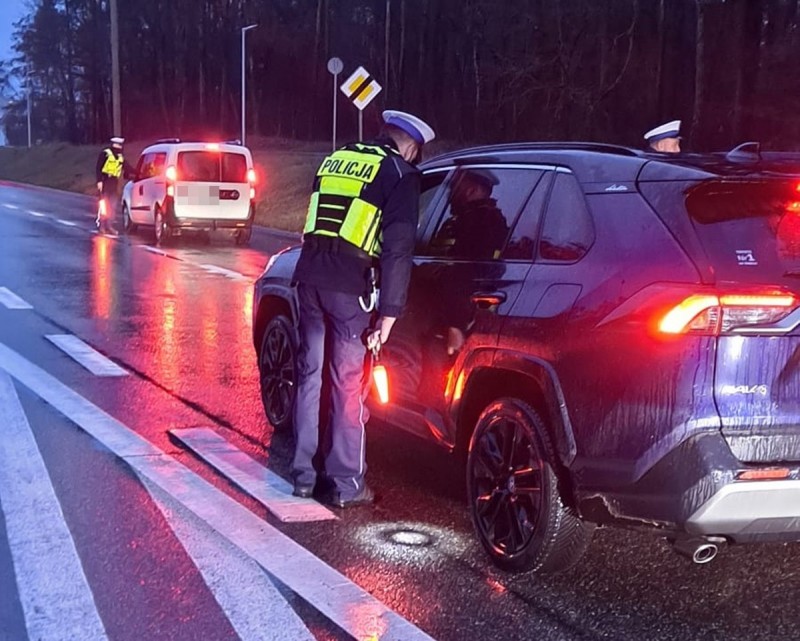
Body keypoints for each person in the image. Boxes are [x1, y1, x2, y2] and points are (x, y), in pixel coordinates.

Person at [290, 109, 436, 508]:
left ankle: (303, 474)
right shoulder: (400, 174)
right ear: (411, 147)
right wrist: (389, 312)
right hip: (348, 286)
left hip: (308, 275)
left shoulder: (336, 158)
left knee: (309, 377)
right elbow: (399, 248)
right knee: (347, 383)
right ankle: (346, 484)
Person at [95, 136, 130, 234]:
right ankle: (102, 226)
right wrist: (99, 181)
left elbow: (127, 168)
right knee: (103, 205)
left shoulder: (120, 157)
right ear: (114, 144)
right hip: (105, 181)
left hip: (114, 183)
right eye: (119, 145)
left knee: (112, 206)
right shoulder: (105, 154)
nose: (120, 147)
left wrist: (138, 173)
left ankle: (109, 226)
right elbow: (99, 168)